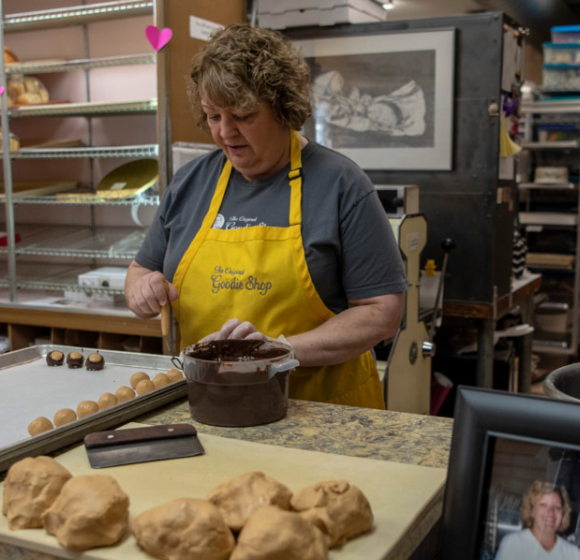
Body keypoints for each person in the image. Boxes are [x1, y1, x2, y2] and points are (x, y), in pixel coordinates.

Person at [125, 25, 406, 409]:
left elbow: (381, 312)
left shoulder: (340, 184)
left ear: (283, 108)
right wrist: (142, 289)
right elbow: (140, 271)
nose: (225, 132)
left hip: (318, 410)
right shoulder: (191, 182)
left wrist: (277, 351)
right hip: (210, 403)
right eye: (212, 116)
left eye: (243, 115)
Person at [311, 71, 427, 136]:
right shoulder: (355, 97)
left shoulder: (359, 121)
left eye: (380, 119)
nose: (376, 114)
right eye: (381, 112)